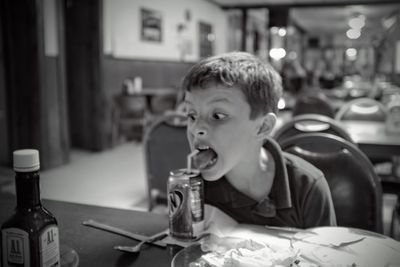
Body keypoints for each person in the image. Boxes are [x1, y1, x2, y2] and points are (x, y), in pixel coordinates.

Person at [181, 51, 336, 229]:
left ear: (263, 127)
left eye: (218, 116)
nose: (196, 128)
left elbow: (325, 255)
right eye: (191, 115)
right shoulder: (193, 187)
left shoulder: (307, 187)